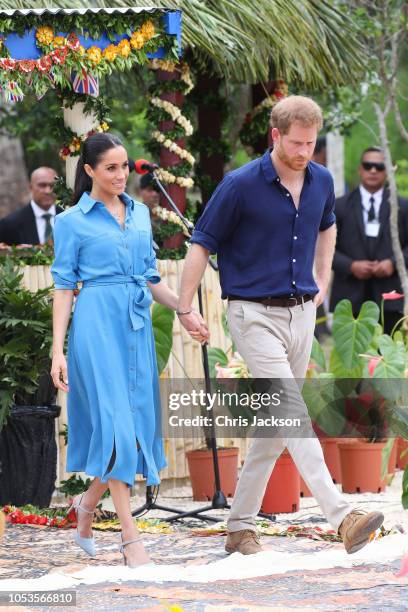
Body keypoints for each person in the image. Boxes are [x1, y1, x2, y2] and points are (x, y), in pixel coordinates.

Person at [177, 95, 384, 556]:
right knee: (290, 409)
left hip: (301, 312)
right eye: (296, 142)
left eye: (311, 143)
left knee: (274, 426)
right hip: (252, 314)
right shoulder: (239, 185)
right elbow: (200, 244)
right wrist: (185, 306)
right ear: (275, 135)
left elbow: (327, 226)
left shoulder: (322, 180)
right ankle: (341, 515)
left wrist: (323, 278)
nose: (304, 151)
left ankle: (239, 527)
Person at [50, 133, 208, 568]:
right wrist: (57, 351)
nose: (121, 175)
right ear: (89, 171)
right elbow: (64, 288)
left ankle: (85, 506)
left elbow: (151, 276)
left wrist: (185, 311)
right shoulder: (70, 221)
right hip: (96, 327)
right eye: (110, 168)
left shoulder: (140, 214)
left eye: (124, 167)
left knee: (133, 426)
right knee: (117, 427)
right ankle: (130, 538)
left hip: (135, 330)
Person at [330, 147, 408, 334]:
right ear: (360, 169)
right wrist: (350, 265)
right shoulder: (338, 206)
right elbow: (323, 248)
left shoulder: (403, 207)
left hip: (390, 298)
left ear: (388, 171)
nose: (373, 170)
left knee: (387, 357)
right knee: (352, 360)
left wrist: (393, 263)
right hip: (349, 297)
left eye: (379, 166)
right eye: (368, 165)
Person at [0, 167, 62, 245]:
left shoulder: (69, 219)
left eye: (52, 185)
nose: (48, 191)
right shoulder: (10, 224)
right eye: (42, 185)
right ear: (30, 187)